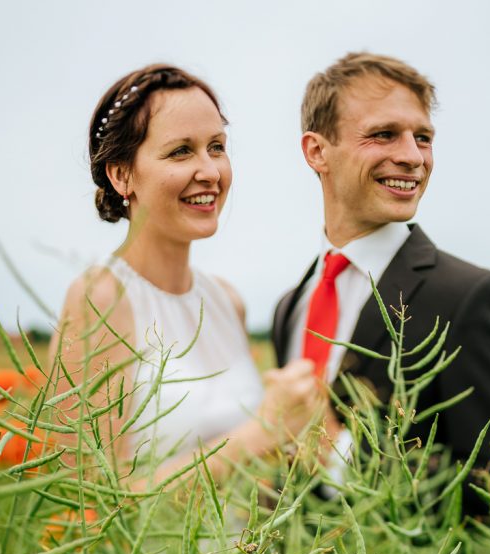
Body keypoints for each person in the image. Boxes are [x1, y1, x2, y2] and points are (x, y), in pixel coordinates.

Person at [271, 53, 490, 516]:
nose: (412, 157)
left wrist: (338, 456)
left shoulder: (471, 298)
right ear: (317, 151)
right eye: (383, 134)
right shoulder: (290, 307)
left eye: (424, 138)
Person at [49, 64, 322, 487]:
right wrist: (261, 430)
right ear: (121, 175)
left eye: (217, 147)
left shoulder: (226, 301)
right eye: (181, 151)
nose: (210, 171)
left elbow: (253, 473)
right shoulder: (99, 299)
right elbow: (89, 504)